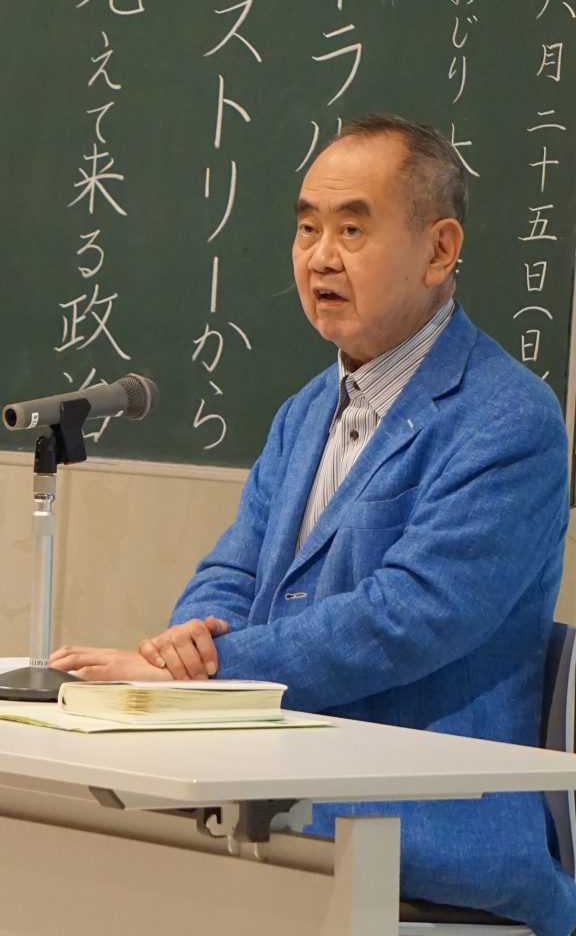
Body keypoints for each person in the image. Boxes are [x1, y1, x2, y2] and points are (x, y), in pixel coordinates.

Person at [51, 114, 576, 935]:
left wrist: (213, 672)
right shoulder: (304, 411)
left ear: (440, 251)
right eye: (307, 228)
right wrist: (188, 642)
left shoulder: (508, 419)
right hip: (280, 801)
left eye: (352, 230)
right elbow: (231, 571)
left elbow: (408, 617)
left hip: (426, 828)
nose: (320, 256)